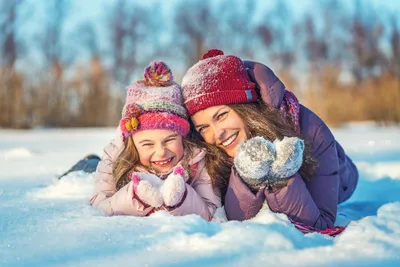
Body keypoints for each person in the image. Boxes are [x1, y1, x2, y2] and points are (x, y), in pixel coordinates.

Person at [180, 49, 359, 231]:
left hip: (341, 177)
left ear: (245, 108)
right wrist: (249, 176)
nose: (217, 134)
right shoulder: (209, 151)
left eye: (221, 116)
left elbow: (320, 224)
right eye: (204, 128)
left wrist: (281, 177)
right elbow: (237, 222)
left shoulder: (310, 129)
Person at [89, 61, 221, 221]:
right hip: (96, 165)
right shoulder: (116, 155)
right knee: (88, 165)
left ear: (183, 137)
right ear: (132, 144)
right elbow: (99, 206)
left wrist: (181, 198)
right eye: (148, 144)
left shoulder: (197, 160)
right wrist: (135, 197)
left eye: (170, 140)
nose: (161, 152)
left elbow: (211, 211)